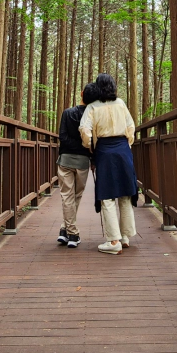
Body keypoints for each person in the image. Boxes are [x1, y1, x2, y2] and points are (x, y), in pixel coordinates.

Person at [79, 73, 138, 255]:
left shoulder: (92, 107)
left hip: (105, 150)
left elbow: (84, 129)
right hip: (123, 149)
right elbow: (130, 127)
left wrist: (91, 147)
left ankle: (114, 241)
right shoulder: (121, 104)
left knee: (107, 195)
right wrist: (126, 144)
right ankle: (125, 237)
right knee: (125, 192)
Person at [57, 82, 99, 248]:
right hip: (82, 161)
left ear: (81, 93)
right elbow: (93, 142)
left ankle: (64, 230)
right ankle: (72, 234)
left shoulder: (67, 113)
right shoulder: (92, 117)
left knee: (67, 196)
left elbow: (62, 136)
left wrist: (71, 147)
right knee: (75, 196)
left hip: (65, 160)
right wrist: (89, 155)